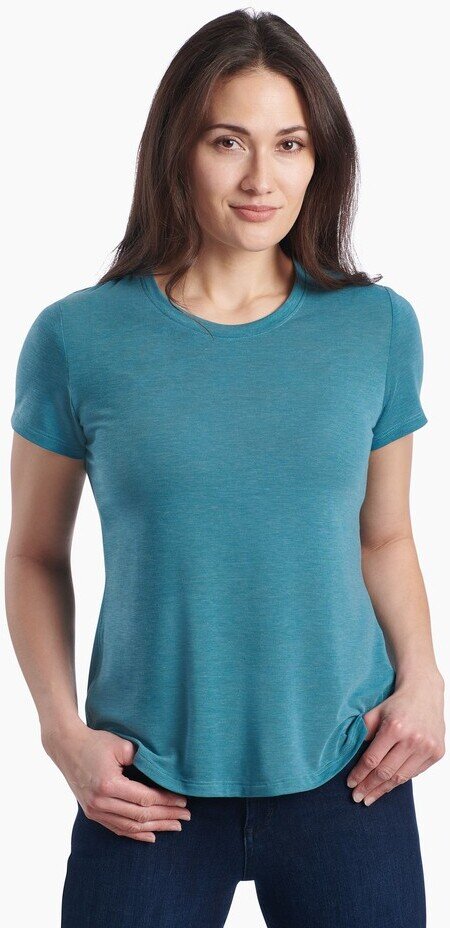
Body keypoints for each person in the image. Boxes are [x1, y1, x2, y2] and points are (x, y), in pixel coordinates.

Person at [5, 9, 445, 928]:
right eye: (227, 141)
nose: (260, 179)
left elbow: (385, 535)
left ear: (320, 157)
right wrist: (61, 735)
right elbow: (35, 553)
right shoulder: (77, 338)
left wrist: (424, 683)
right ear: (179, 148)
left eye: (289, 143)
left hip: (350, 776)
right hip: (143, 788)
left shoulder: (377, 327)